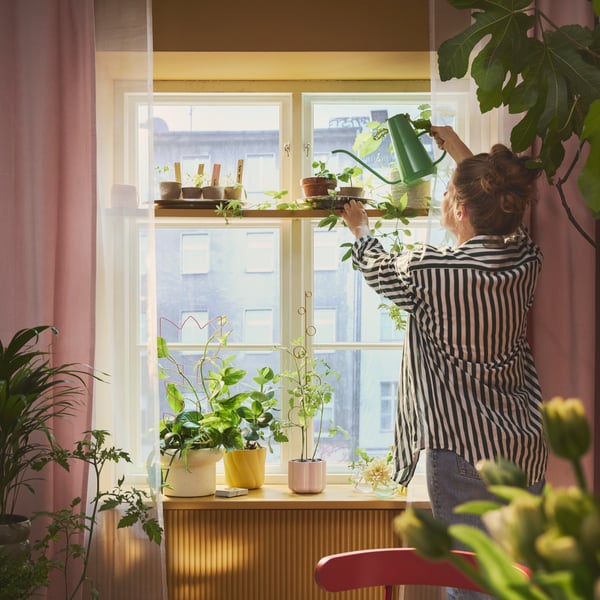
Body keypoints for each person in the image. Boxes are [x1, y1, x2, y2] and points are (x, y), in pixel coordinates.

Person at [341, 126, 547, 600]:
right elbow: (503, 211)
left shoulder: (431, 271)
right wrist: (460, 153)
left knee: (472, 584)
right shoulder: (524, 261)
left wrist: (361, 228)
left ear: (457, 208)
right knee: (515, 581)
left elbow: (378, 270)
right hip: (526, 449)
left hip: (464, 453)